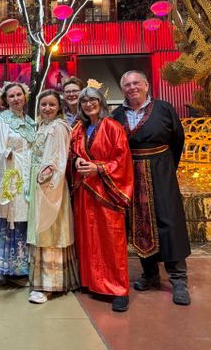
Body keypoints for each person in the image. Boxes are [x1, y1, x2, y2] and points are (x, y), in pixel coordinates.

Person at [112, 70, 191, 306]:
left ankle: (178, 279)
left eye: (136, 83)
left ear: (146, 85)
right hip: (132, 173)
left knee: (169, 220)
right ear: (122, 89)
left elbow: (178, 140)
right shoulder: (117, 115)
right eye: (127, 85)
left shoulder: (164, 109)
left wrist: (166, 167)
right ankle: (150, 273)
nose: (132, 88)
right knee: (140, 222)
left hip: (161, 170)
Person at [70, 86, 133, 312]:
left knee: (110, 240)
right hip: (84, 192)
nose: (88, 104)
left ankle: (118, 289)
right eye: (84, 101)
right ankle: (91, 282)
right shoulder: (78, 129)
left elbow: (122, 160)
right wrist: (76, 161)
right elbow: (72, 153)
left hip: (107, 191)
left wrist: (98, 168)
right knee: (87, 238)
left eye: (93, 100)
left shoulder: (113, 127)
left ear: (101, 102)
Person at [27, 90, 79, 304]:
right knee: (41, 230)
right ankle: (40, 280)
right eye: (43, 104)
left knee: (50, 230)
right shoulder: (42, 126)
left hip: (50, 185)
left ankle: (49, 284)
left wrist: (46, 182)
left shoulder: (58, 127)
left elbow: (58, 159)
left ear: (59, 107)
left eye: (51, 104)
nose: (47, 108)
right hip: (38, 184)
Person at [0, 81, 35, 285]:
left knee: (26, 219)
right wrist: (6, 154)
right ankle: (11, 271)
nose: (16, 99)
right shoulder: (1, 121)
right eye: (11, 96)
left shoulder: (30, 122)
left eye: (19, 94)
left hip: (29, 176)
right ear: (5, 100)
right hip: (11, 175)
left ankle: (25, 268)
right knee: (12, 220)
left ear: (25, 96)